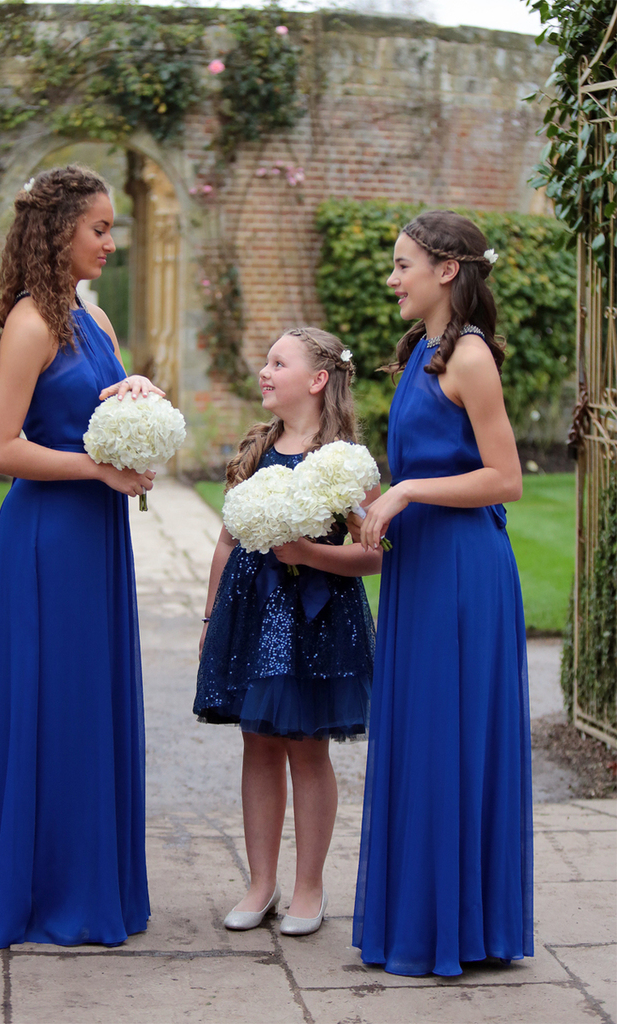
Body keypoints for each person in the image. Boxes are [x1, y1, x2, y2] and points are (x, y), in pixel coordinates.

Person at [0, 165, 162, 948]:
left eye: (112, 228)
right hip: (48, 540)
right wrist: (97, 469)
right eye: (99, 228)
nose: (111, 242)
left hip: (97, 535)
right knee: (56, 704)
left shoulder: (95, 318)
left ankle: (93, 882)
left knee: (93, 703)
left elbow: (96, 408)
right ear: (59, 233)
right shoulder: (31, 323)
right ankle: (49, 892)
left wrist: (135, 394)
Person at [352, 210, 534, 976]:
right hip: (419, 565)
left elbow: (505, 478)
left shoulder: (468, 355)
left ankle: (457, 927)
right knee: (419, 735)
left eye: (403, 265)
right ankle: (424, 918)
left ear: (446, 270)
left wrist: (406, 491)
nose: (392, 278)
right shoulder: (420, 354)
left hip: (462, 572)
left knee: (446, 735)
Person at [194, 327, 383, 936]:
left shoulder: (345, 462)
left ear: (318, 379)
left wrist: (307, 553)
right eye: (267, 362)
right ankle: (260, 883)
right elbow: (227, 542)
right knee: (257, 743)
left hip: (316, 621)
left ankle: (309, 888)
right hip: (252, 617)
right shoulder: (257, 449)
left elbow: (374, 556)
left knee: (307, 746)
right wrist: (211, 619)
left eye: (279, 362)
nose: (265, 371)